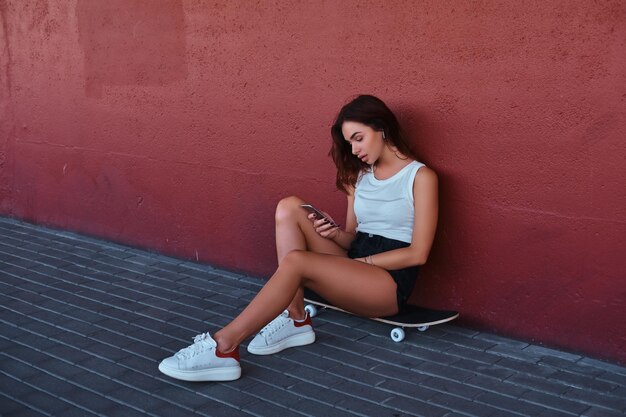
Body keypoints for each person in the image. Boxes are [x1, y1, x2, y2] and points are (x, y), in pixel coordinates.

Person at [158, 94, 439, 381]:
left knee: (297, 262)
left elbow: (418, 253)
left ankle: (224, 346)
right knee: (289, 206)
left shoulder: (420, 177)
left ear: (382, 128)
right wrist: (335, 234)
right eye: (349, 143)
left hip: (388, 282)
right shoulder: (360, 176)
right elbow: (352, 238)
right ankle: (296, 319)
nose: (354, 150)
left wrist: (364, 262)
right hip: (357, 263)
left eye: (358, 138)